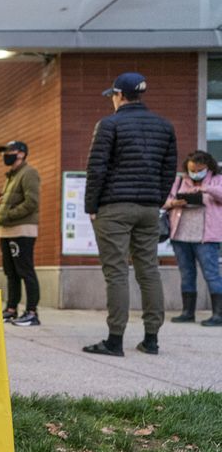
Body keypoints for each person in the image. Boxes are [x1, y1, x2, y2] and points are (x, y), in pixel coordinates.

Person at [83, 72, 177, 357]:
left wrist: (91, 206)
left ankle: (114, 339)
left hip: (114, 207)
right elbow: (168, 170)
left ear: (120, 95)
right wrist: (157, 200)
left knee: (117, 272)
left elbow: (97, 168)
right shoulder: (165, 126)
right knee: (148, 270)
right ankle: (151, 339)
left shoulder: (109, 125)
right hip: (149, 208)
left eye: (113, 95)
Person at [165, 150, 222, 327]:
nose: (195, 172)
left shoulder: (216, 180)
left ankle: (218, 315)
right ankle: (188, 312)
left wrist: (206, 189)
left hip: (206, 237)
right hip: (180, 235)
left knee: (211, 274)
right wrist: (174, 203)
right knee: (187, 274)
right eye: (192, 169)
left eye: (199, 169)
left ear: (208, 167)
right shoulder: (180, 181)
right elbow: (165, 200)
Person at [0, 141, 42, 326]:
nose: (5, 155)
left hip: (22, 229)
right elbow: (11, 201)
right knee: (11, 272)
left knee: (25, 270)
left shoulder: (29, 173)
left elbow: (32, 202)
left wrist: (7, 214)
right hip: (6, 230)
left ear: (21, 154)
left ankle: (31, 311)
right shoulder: (11, 176)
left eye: (9, 151)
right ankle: (11, 308)